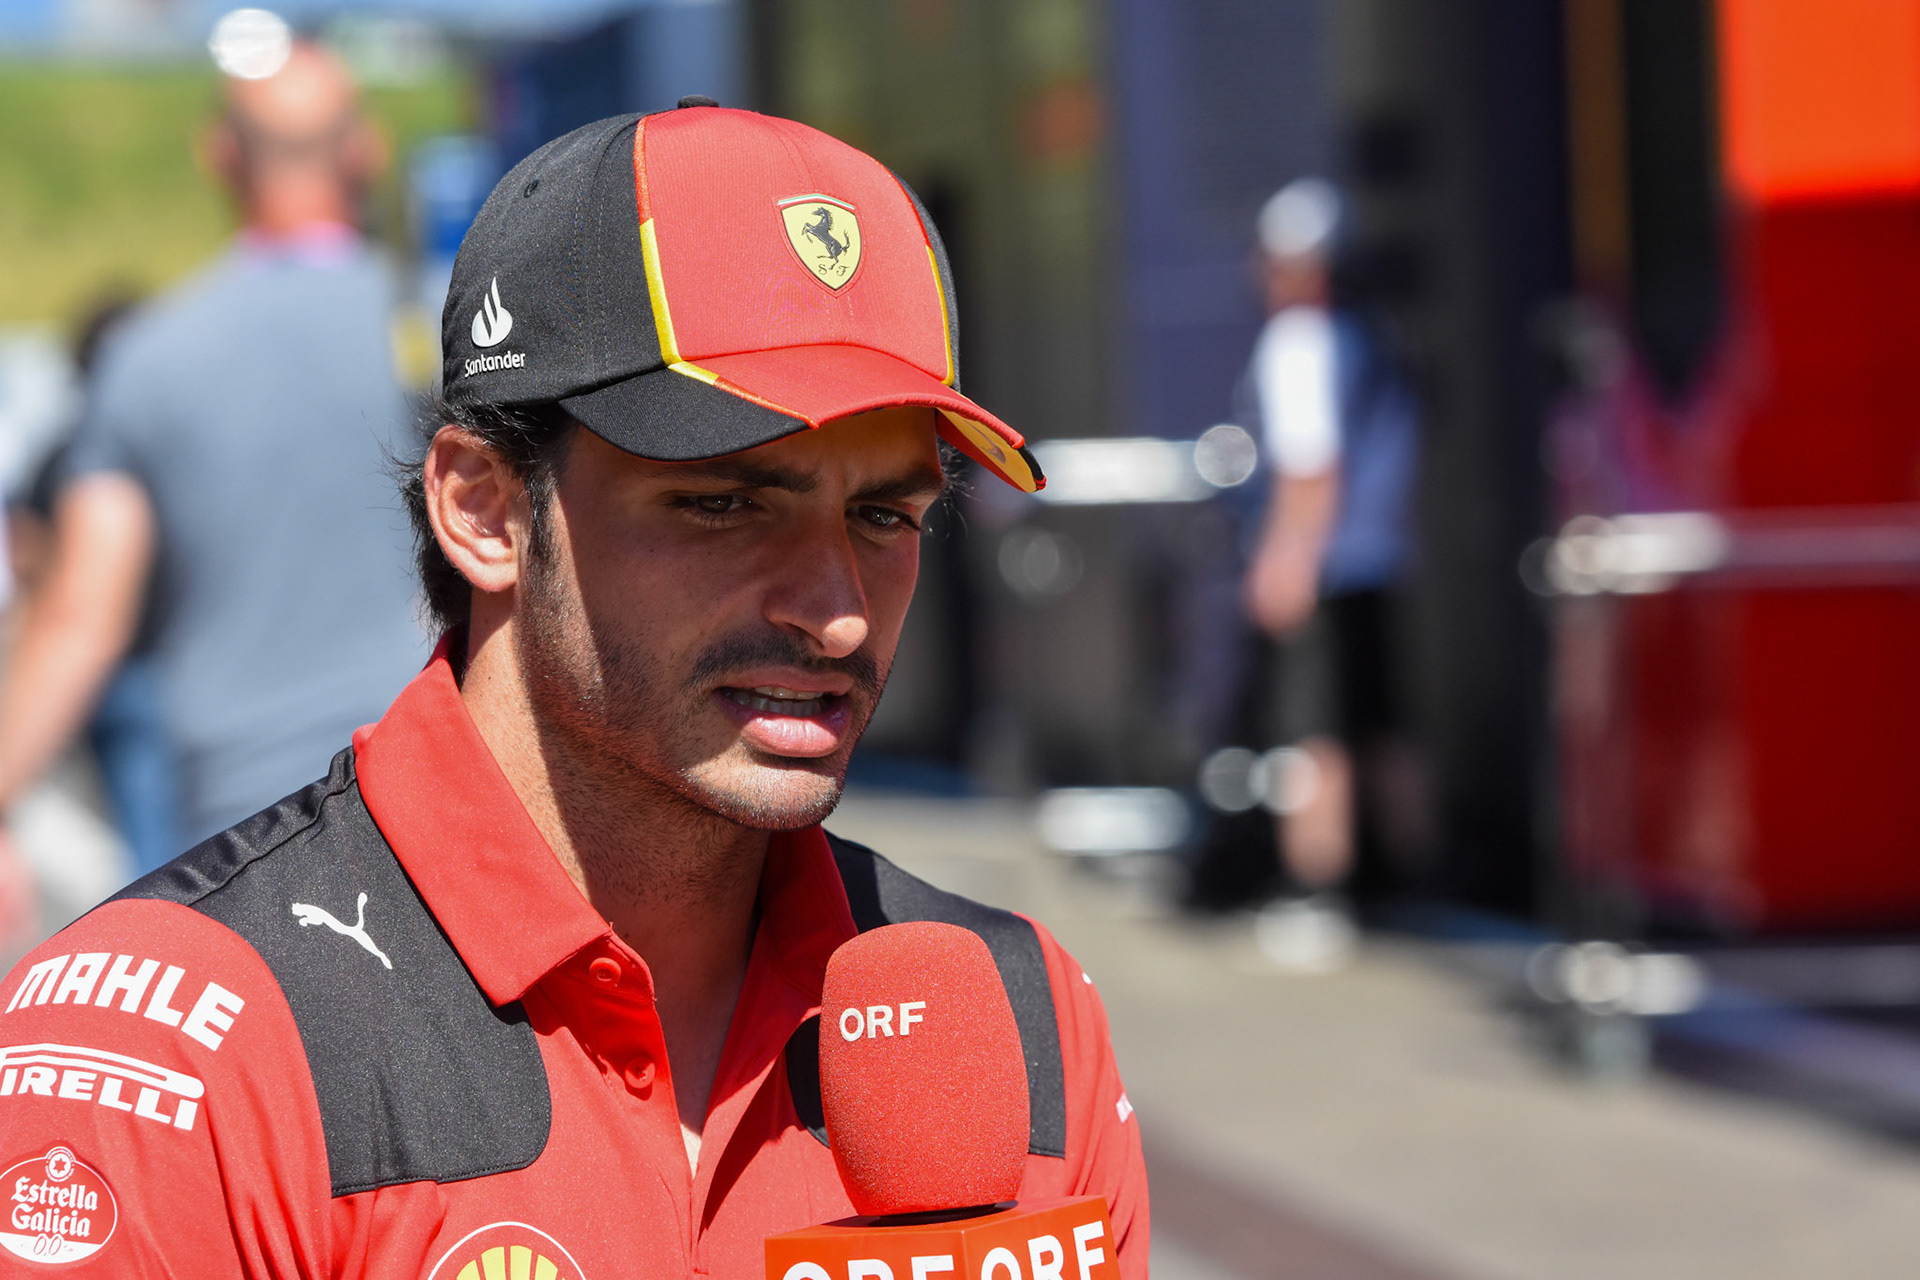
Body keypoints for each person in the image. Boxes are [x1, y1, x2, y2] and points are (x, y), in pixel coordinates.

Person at [0, 104, 1147, 1277]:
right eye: (723, 502)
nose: (837, 608)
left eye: (885, 514)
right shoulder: (175, 1057)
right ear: (485, 508)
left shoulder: (1029, 1018)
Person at [0, 43, 425, 866]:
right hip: (429, 781)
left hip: (240, 824)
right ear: (364, 149)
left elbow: (82, 614)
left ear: (221, 155)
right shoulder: (442, 329)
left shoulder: (153, 358)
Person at [1241, 177, 1424, 969]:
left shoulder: (1300, 343)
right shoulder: (1371, 335)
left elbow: (1309, 471)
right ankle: (1411, 880)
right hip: (1377, 557)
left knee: (1314, 733)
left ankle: (1322, 889)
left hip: (1322, 562)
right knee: (1383, 723)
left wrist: (1285, 560)